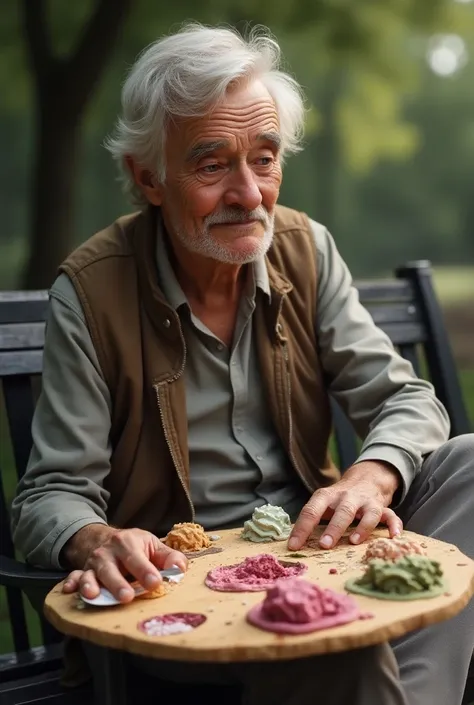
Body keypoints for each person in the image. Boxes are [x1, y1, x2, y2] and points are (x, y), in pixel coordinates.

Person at [10, 22, 474, 705]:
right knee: (338, 651)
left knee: (468, 464)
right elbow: (50, 492)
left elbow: (405, 400)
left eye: (264, 157)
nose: (250, 193)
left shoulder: (305, 249)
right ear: (148, 178)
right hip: (187, 597)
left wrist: (372, 477)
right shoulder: (92, 291)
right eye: (211, 164)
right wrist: (95, 538)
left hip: (318, 557)